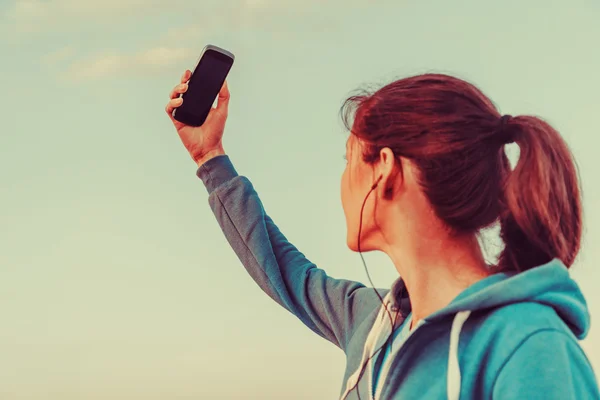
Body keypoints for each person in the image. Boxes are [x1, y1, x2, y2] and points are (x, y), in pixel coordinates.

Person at [165, 69, 599, 399]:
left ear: (386, 168)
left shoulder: (528, 346)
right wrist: (210, 157)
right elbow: (279, 266)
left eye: (349, 159)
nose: (341, 183)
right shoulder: (371, 323)